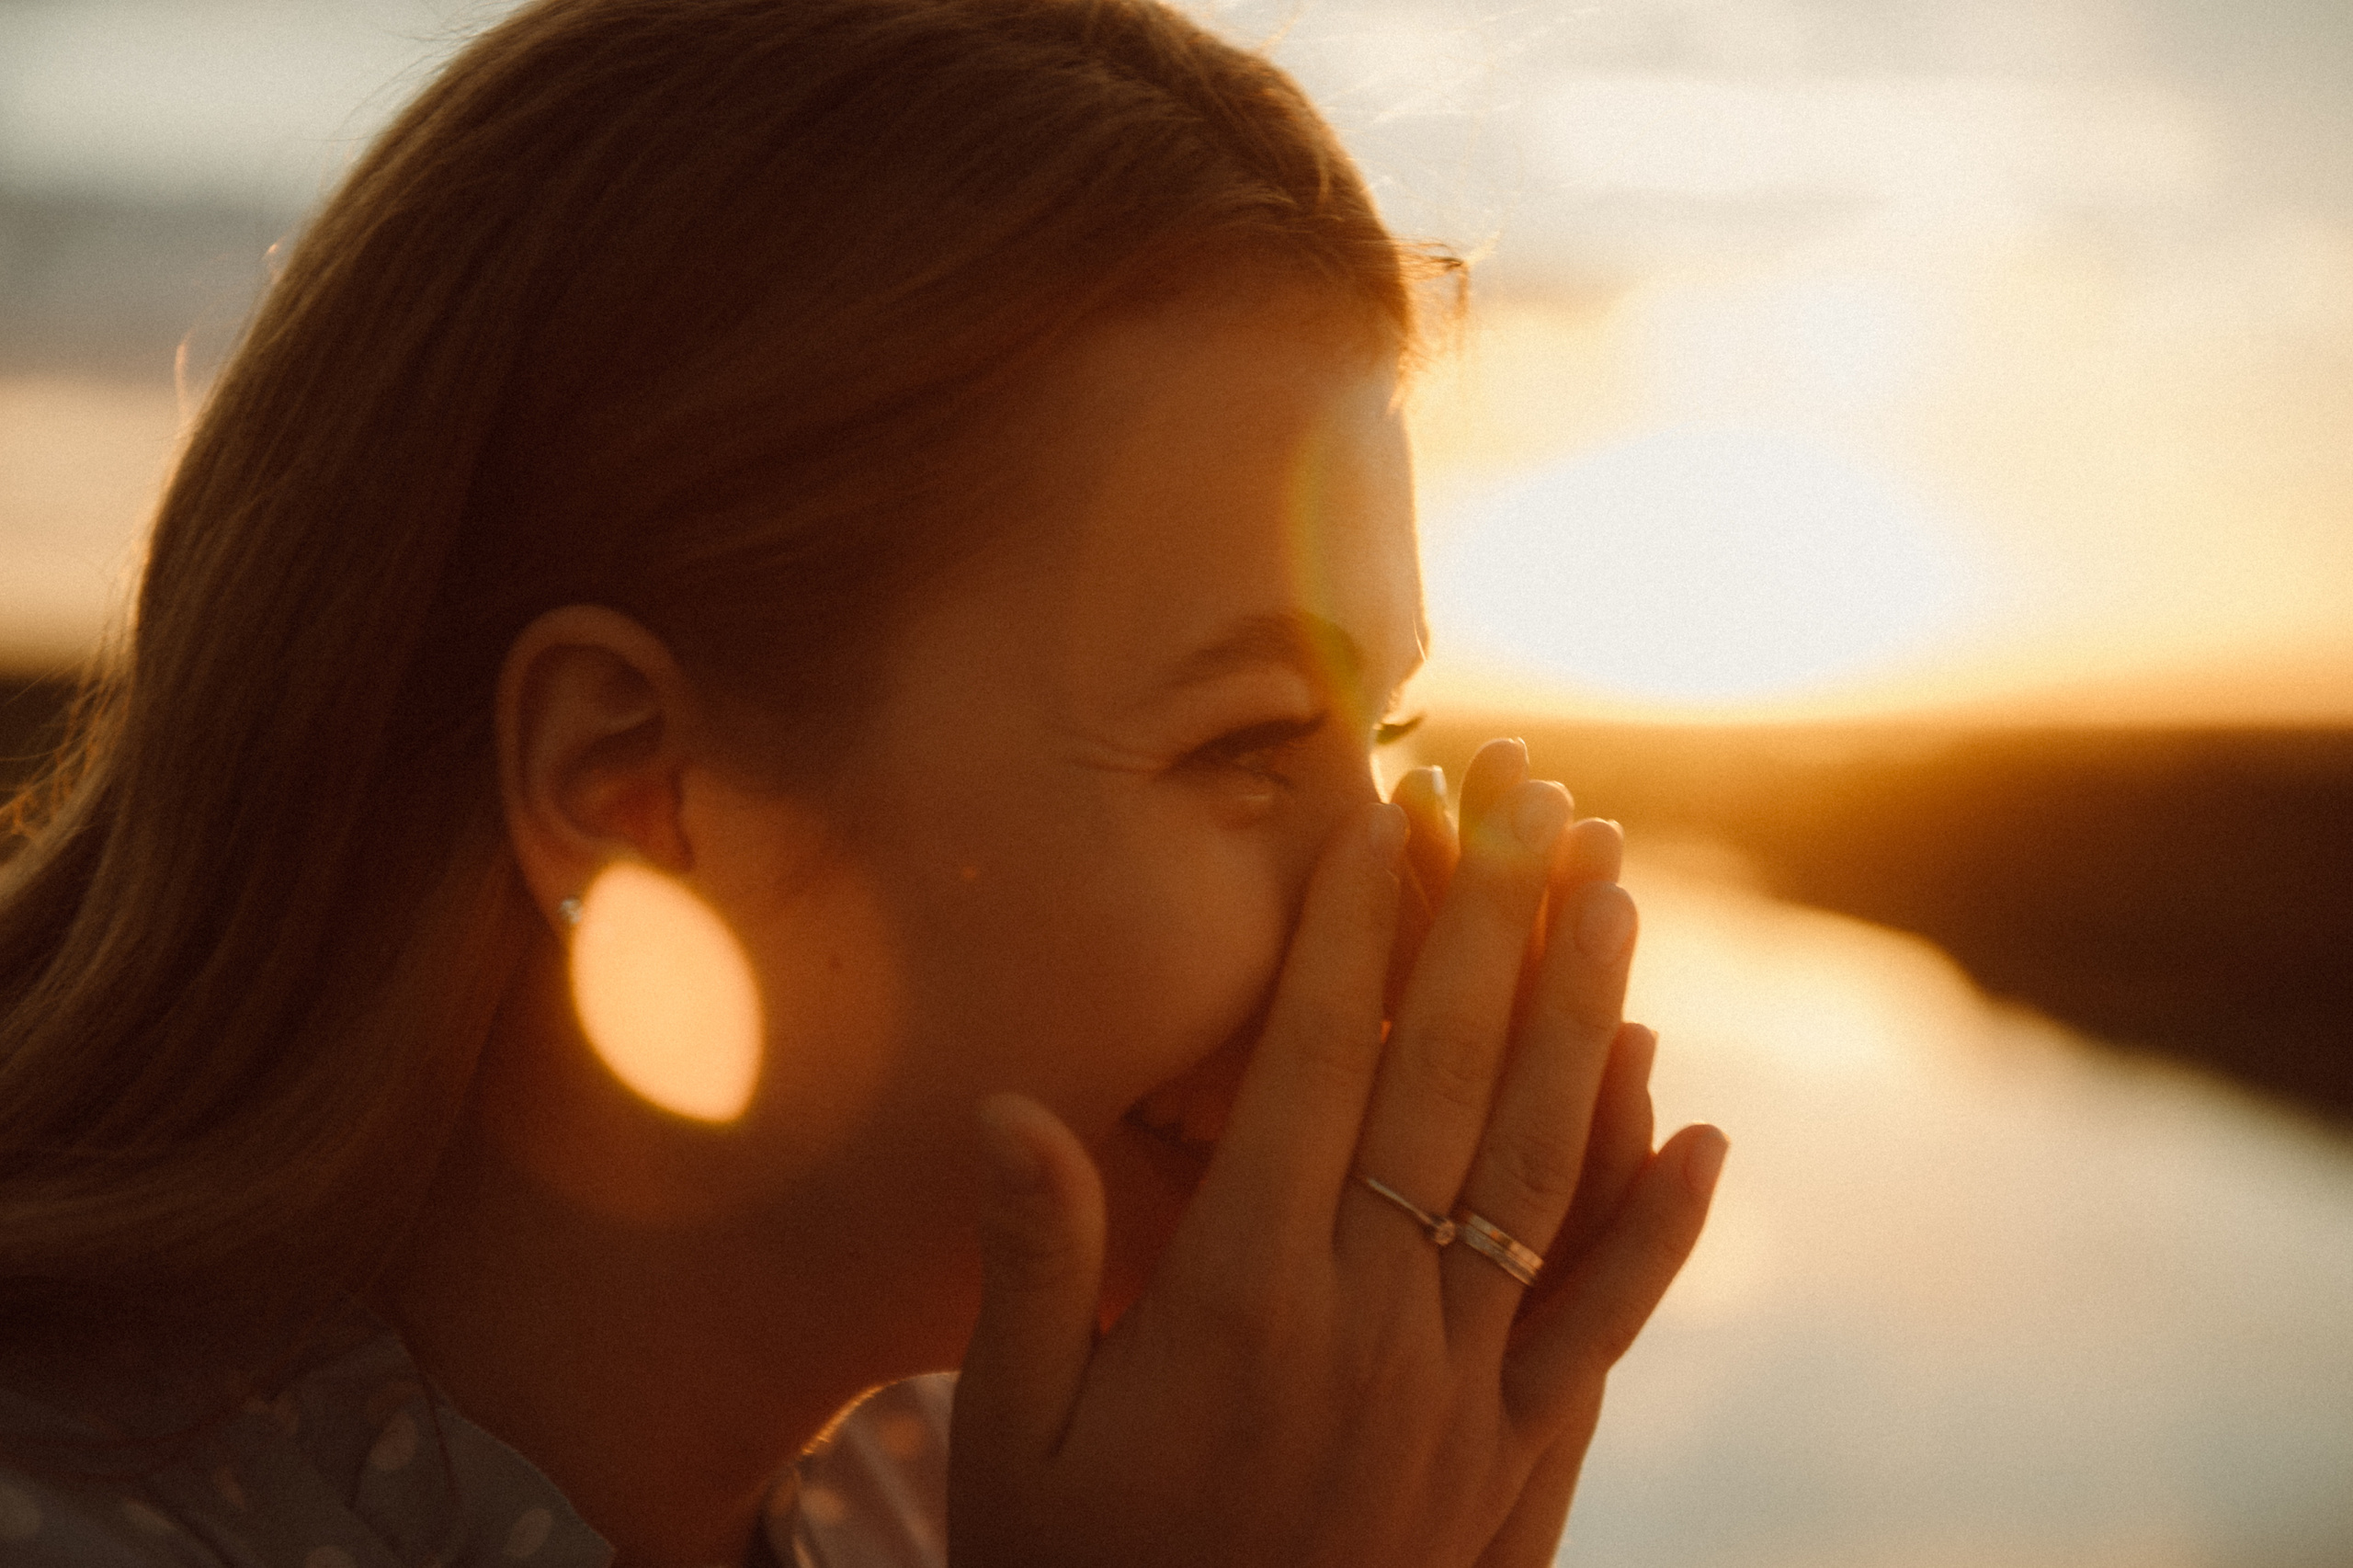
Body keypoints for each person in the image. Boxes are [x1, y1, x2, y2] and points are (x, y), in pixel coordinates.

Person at [0, 0, 1726, 1563]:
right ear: (637, 794)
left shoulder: (984, 1490)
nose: (1410, 906)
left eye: (1387, 744)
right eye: (1252, 741)